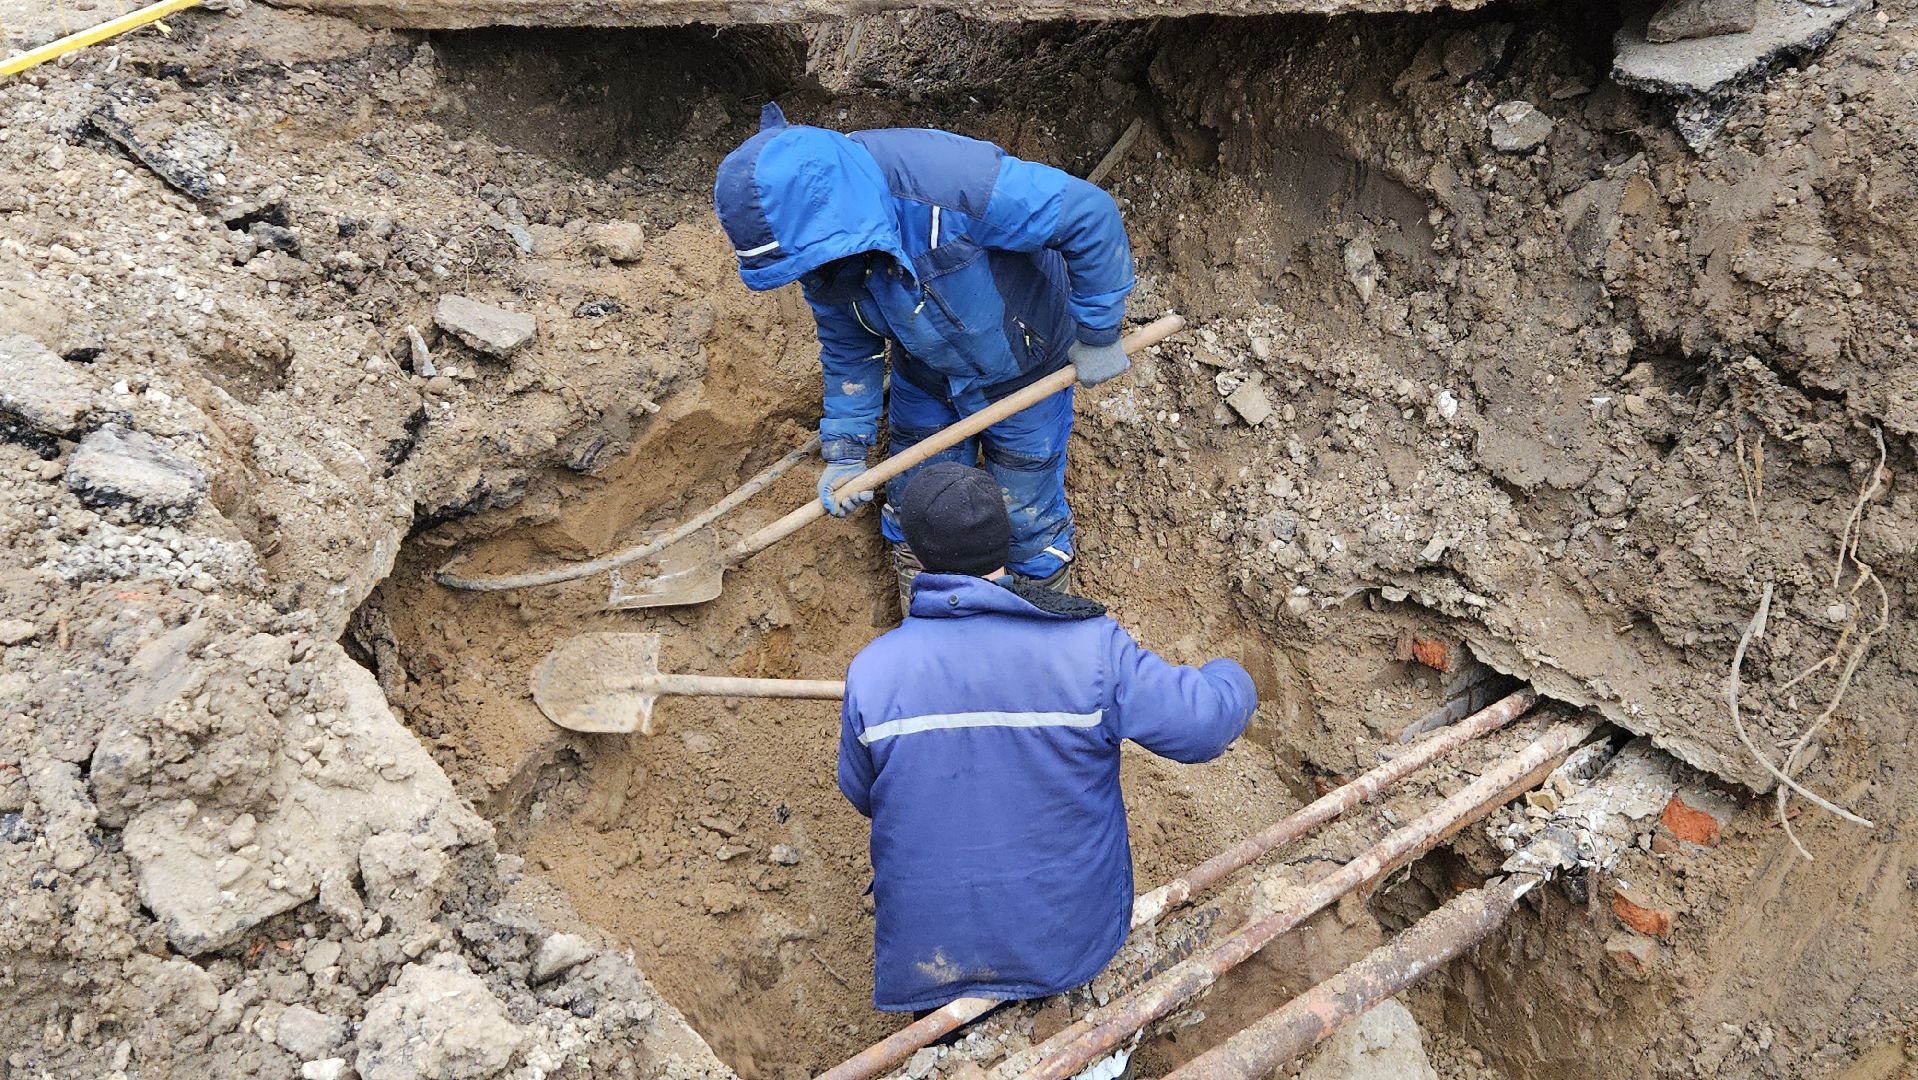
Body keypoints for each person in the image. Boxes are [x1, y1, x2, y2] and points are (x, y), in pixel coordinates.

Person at [835, 462, 1259, 1058]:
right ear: (1005, 540)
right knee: (1072, 1035)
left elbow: (862, 792)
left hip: (933, 955)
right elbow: (1202, 727)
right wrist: (1231, 677)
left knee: (957, 1048)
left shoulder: (874, 672)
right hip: (1066, 941)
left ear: (916, 550)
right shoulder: (1089, 649)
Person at [713, 104, 1136, 598]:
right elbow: (849, 346)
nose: (810, 276)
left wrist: (1099, 331)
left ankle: (1041, 609)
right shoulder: (820, 258)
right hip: (926, 370)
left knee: (1024, 505)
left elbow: (1088, 215)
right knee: (918, 498)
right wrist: (847, 450)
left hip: (1027, 364)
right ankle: (930, 615)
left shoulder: (950, 184)